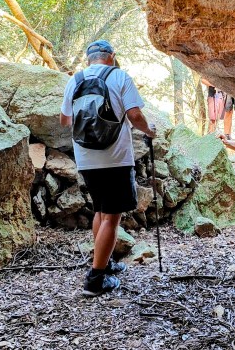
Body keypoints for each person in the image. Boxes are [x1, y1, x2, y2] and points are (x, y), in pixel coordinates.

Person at [60, 40, 156, 296]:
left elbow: (64, 120)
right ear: (111, 56)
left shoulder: (75, 79)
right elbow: (135, 116)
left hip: (86, 158)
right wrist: (150, 131)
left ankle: (104, 261)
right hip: (115, 157)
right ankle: (95, 279)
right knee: (112, 217)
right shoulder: (119, 76)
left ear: (88, 58)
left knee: (101, 211)